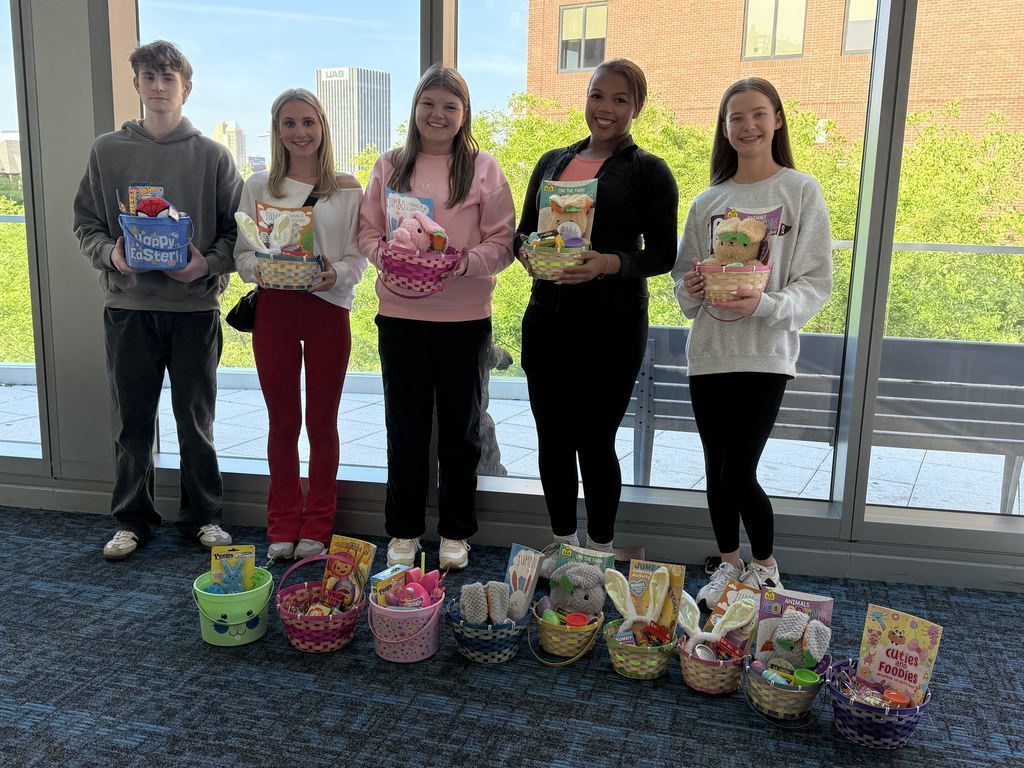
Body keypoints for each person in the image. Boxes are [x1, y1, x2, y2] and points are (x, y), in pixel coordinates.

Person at [73, 40, 242, 560]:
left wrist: (206, 266)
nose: (159, 86)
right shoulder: (108, 151)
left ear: (185, 87)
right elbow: (86, 225)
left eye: (169, 78)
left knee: (196, 421)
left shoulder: (213, 156)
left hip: (194, 311)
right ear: (137, 85)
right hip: (129, 309)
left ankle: (203, 517)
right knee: (133, 421)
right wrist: (114, 257)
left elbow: (239, 235)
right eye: (149, 77)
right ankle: (132, 519)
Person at [513, 59, 679, 575]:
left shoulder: (649, 171)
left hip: (611, 326)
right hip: (547, 319)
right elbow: (523, 232)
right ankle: (562, 542)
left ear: (636, 108)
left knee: (595, 438)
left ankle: (600, 549)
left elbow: (663, 255)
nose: (605, 109)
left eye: (619, 100)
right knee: (552, 437)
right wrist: (528, 254)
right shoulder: (551, 162)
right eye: (596, 95)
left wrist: (608, 263)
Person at [672, 77, 833, 608]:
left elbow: (815, 282)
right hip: (710, 354)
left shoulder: (800, 191)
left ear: (777, 119)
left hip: (766, 354)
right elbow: (683, 282)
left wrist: (765, 305)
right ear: (724, 128)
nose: (748, 126)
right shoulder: (708, 201)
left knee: (739, 470)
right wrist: (694, 290)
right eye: (736, 117)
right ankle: (728, 564)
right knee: (716, 469)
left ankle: (765, 568)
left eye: (758, 114)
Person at [358, 66, 515, 570]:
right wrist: (389, 258)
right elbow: (366, 233)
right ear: (415, 108)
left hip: (465, 319)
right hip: (400, 316)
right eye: (429, 103)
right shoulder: (390, 166)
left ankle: (455, 532)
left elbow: (504, 242)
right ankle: (402, 532)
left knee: (461, 431)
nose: (438, 114)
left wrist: (461, 261)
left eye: (450, 106)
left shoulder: (484, 168)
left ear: (464, 113)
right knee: (404, 428)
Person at [233, 89, 366, 562]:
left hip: (329, 307)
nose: (300, 132)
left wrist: (337, 275)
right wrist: (261, 270)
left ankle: (318, 524)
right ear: (277, 130)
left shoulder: (348, 187)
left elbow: (358, 255)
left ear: (323, 126)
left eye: (308, 122)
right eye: (289, 123)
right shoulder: (257, 185)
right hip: (275, 310)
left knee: (322, 422)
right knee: (282, 421)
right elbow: (242, 254)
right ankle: (282, 523)